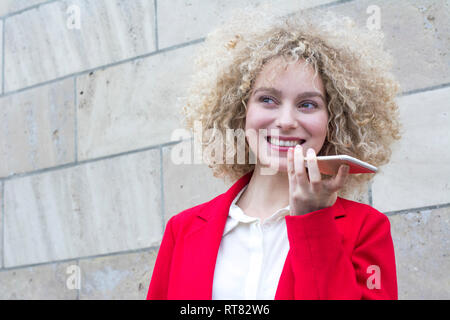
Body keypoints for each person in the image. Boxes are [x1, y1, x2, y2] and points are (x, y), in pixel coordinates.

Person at [147, 5, 401, 300]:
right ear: (240, 111)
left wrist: (313, 221)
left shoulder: (366, 229)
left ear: (334, 121)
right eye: (267, 99)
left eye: (308, 104)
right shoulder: (182, 231)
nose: (286, 121)